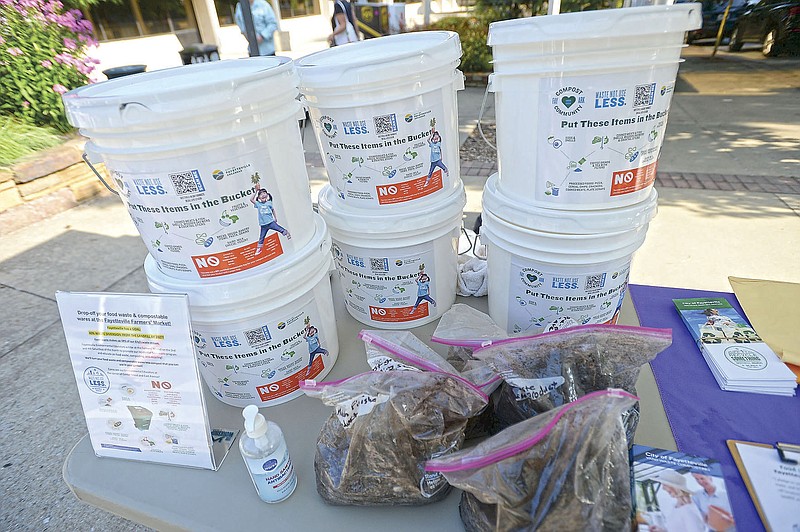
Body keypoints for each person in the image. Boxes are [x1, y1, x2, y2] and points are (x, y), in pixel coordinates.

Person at [250, 184, 290, 255]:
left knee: (279, 229)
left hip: (270, 222)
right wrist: (256, 191)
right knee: (262, 237)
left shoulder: (269, 203)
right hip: (263, 225)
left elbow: (273, 210)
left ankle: (286, 233)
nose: (263, 195)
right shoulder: (258, 204)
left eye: (264, 193)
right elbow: (251, 199)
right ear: (259, 197)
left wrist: (275, 217)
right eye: (261, 194)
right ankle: (259, 249)